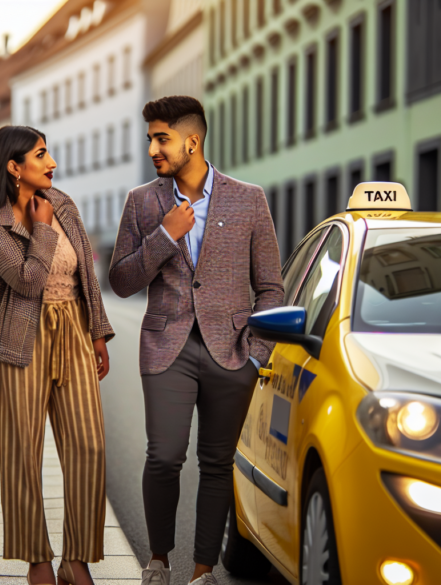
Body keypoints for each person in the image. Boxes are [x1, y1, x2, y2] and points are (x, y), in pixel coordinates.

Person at [108, 96, 284, 585]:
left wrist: (257, 355)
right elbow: (121, 280)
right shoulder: (143, 201)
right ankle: (159, 561)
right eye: (150, 139)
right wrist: (165, 235)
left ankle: (202, 571)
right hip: (168, 349)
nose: (153, 150)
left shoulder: (249, 199)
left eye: (161, 138)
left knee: (217, 462)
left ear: (193, 140)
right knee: (163, 456)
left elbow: (270, 285)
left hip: (232, 352)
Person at [0, 126, 114, 585]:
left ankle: (77, 558)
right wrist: (43, 229)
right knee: (22, 454)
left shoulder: (63, 202)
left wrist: (99, 333)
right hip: (19, 339)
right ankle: (38, 562)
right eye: (41, 154)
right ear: (14, 167)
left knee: (89, 446)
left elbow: (86, 273)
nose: (51, 163)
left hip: (72, 326)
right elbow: (27, 280)